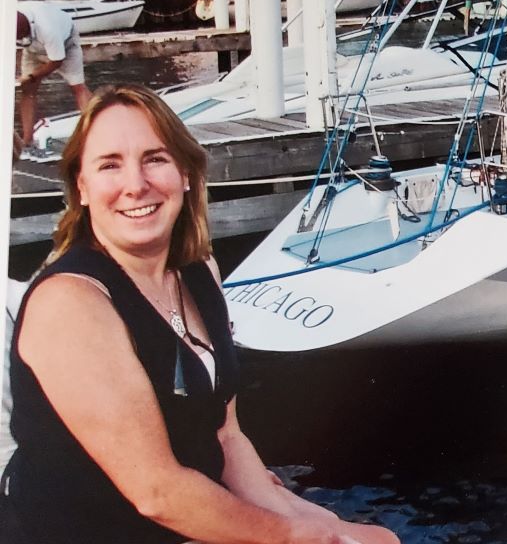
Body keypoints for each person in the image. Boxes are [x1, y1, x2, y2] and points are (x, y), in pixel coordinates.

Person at [0, 85, 399, 544]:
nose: (136, 184)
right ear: (83, 188)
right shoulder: (72, 304)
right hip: (89, 532)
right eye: (110, 164)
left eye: (155, 158)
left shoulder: (198, 272)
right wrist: (294, 536)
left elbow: (225, 436)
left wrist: (325, 529)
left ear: (186, 173)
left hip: (181, 519)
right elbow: (157, 493)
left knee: (378, 539)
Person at [15, 1, 93, 157]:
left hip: (65, 44)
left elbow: (56, 61)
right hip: (33, 48)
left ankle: (92, 138)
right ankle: (27, 142)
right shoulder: (10, 17)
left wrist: (30, 77)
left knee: (77, 87)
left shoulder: (48, 29)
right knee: (27, 91)